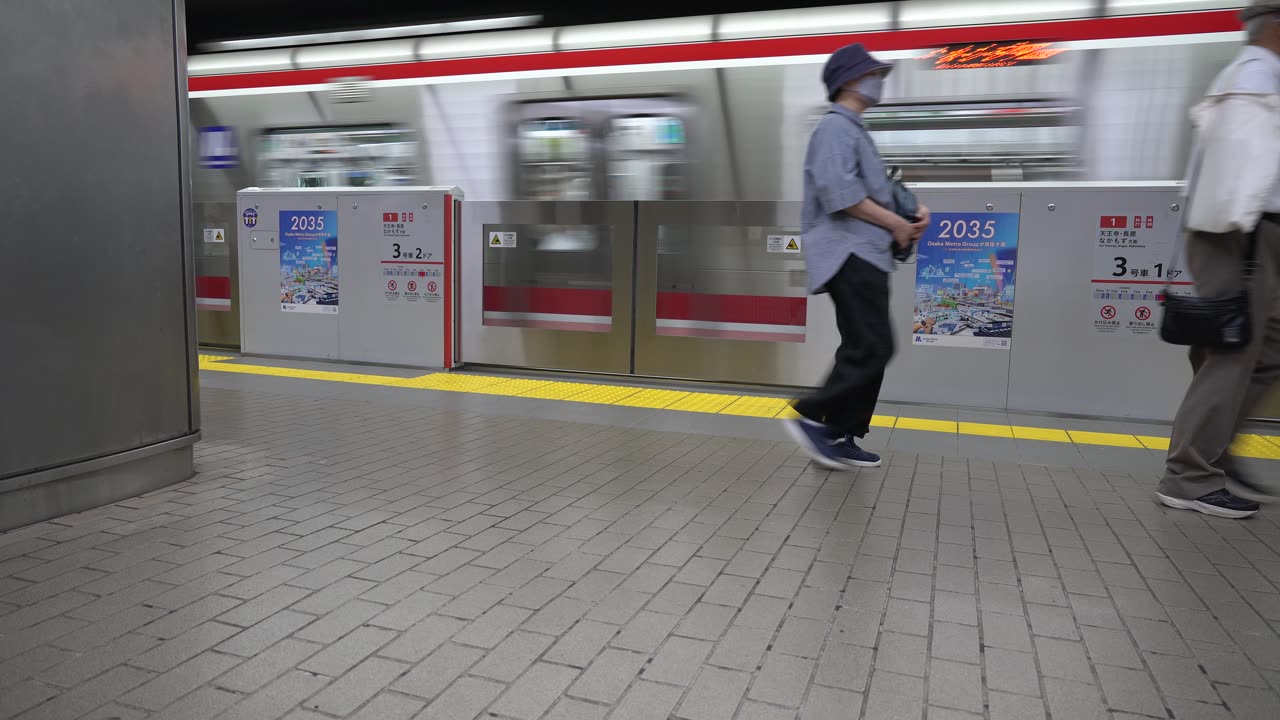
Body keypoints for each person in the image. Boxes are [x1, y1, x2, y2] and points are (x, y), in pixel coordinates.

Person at [1158, 0, 1280, 518]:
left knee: (1266, 350)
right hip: (1242, 234)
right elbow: (1239, 172)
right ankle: (1188, 474)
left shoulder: (1254, 75)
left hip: (1251, 232)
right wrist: (1243, 234)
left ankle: (1215, 450)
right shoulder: (1255, 74)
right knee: (1232, 348)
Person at [783, 43, 930, 470]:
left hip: (866, 254)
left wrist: (912, 215)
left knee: (864, 345)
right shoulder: (834, 128)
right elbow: (839, 194)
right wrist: (896, 225)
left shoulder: (855, 130)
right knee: (874, 345)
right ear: (848, 80)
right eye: (873, 74)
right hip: (848, 253)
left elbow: (870, 191)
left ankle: (839, 434)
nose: (878, 81)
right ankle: (812, 417)